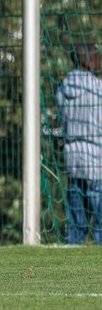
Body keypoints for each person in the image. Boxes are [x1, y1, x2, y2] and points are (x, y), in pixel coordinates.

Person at [55, 42, 102, 244]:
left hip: (72, 157)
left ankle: (71, 255)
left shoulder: (63, 87)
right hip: (96, 159)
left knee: (76, 220)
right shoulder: (97, 87)